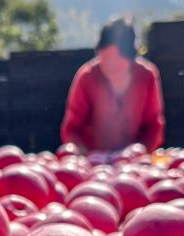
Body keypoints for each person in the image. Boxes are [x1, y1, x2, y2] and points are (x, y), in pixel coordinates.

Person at [61, 18, 165, 154]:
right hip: (92, 162)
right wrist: (83, 153)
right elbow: (71, 128)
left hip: (134, 162)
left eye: (116, 64)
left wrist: (140, 151)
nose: (109, 67)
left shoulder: (147, 76)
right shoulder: (86, 77)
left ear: (131, 58)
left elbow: (154, 126)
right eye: (105, 61)